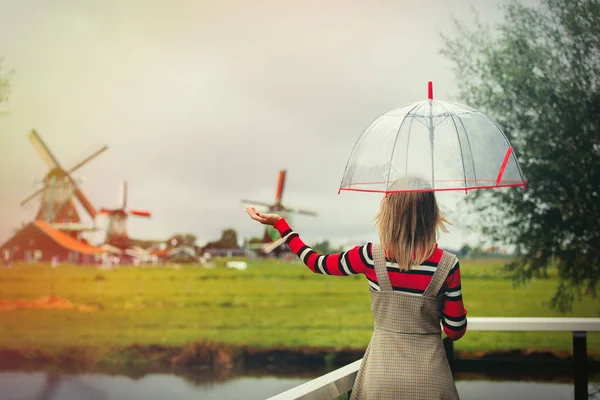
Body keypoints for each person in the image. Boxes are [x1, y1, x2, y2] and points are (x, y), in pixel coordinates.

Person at [245, 176, 467, 399]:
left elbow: (316, 263)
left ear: (390, 214)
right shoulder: (447, 264)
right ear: (431, 214)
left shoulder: (370, 256)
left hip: (381, 376)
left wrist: (281, 225)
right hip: (431, 378)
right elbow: (455, 331)